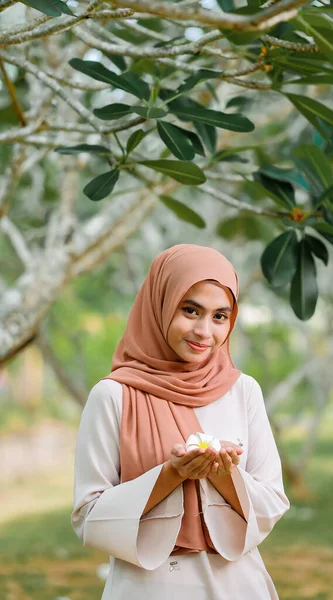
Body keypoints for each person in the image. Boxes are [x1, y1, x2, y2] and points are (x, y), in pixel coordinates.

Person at [71, 243, 290, 600]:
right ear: (160, 304)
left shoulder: (242, 390)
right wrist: (172, 474)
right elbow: (88, 517)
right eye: (191, 310)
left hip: (237, 584)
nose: (205, 331)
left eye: (220, 316)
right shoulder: (113, 396)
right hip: (149, 587)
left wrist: (224, 475)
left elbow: (273, 501)